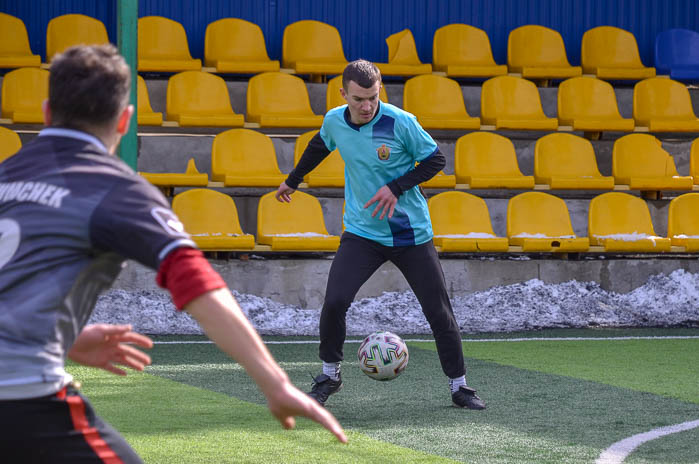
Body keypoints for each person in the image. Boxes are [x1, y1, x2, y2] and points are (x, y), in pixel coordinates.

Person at [0, 44, 346, 463]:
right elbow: (198, 283)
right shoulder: (113, 187)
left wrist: (63, 336)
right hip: (21, 399)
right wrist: (276, 384)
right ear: (125, 120)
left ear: (46, 111)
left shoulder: (7, 173)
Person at [276, 59, 486, 410]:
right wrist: (293, 180)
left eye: (372, 97)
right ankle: (329, 376)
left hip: (411, 234)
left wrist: (395, 187)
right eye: (358, 98)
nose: (366, 105)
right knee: (334, 302)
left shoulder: (401, 122)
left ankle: (460, 387)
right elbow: (319, 145)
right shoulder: (334, 121)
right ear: (343, 94)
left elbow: (436, 161)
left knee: (438, 312)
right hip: (362, 232)